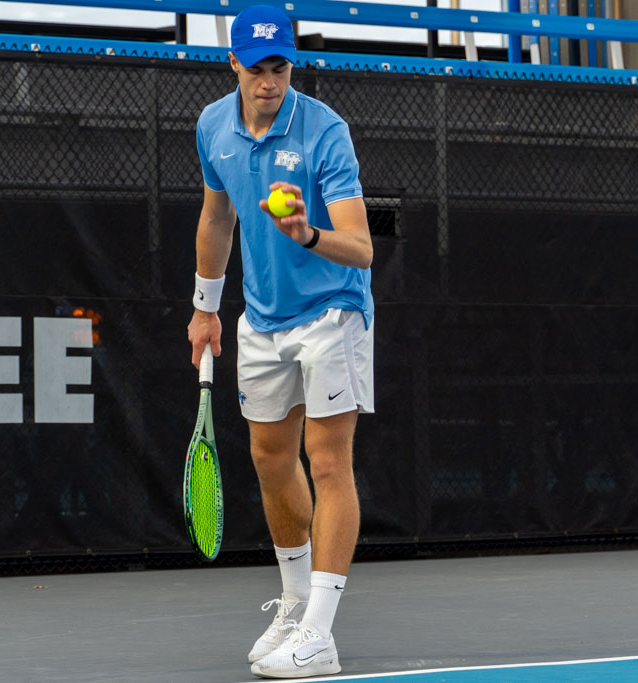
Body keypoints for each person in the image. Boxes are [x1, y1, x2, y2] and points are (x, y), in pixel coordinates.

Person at [186, 5, 374, 679]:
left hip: (332, 312)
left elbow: (362, 247)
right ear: (232, 64)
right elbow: (216, 218)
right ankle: (296, 602)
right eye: (258, 68)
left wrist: (308, 234)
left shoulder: (325, 133)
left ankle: (320, 634)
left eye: (281, 68)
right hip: (261, 318)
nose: (270, 81)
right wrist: (205, 308)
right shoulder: (214, 126)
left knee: (327, 461)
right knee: (270, 458)